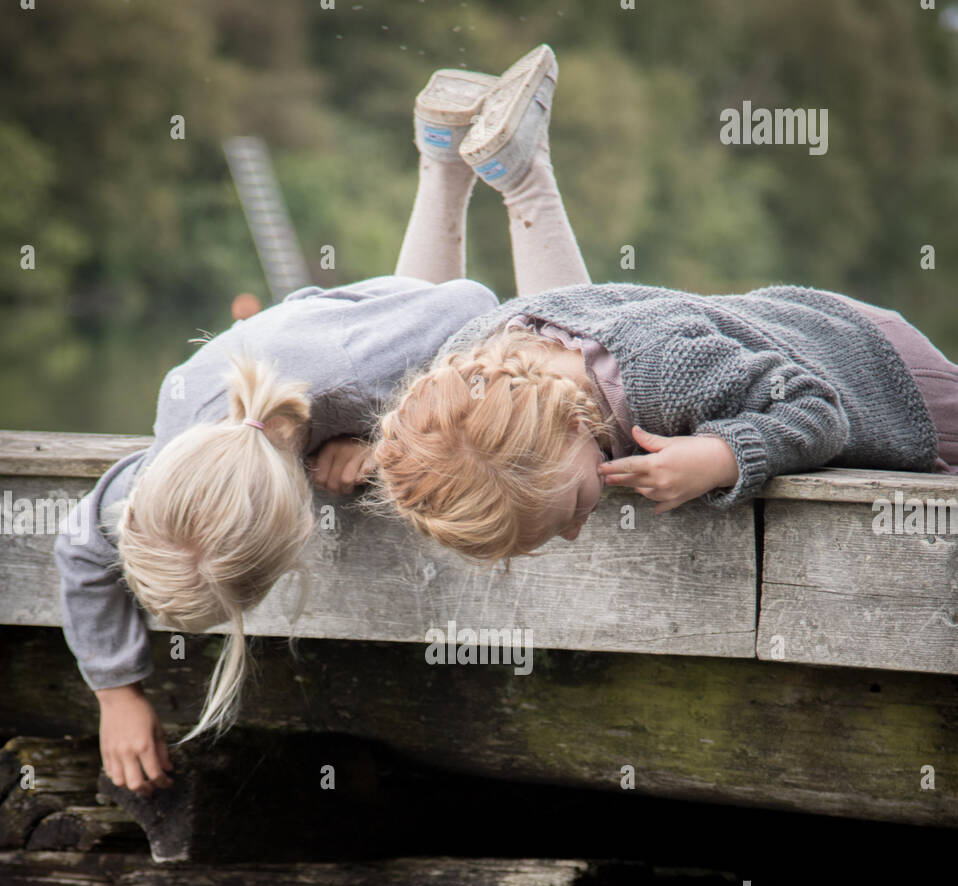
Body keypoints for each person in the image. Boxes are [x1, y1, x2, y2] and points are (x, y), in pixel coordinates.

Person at [54, 44, 569, 795]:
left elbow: (467, 305)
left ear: (297, 522)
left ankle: (519, 176)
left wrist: (389, 442)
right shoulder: (166, 476)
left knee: (557, 351)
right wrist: (114, 689)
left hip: (356, 340)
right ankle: (441, 148)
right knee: (400, 353)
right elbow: (78, 549)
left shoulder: (352, 375)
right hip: (335, 348)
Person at [372, 70, 958, 563]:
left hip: (877, 372)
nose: (577, 531)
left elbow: (816, 407)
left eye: (571, 509)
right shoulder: (484, 357)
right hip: (736, 347)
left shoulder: (667, 369)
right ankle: (502, 168)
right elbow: (427, 406)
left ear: (576, 425)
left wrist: (721, 457)